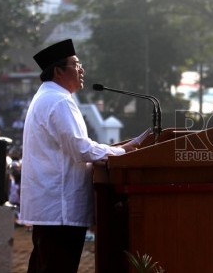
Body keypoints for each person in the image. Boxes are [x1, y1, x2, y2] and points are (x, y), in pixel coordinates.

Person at [19, 39, 139, 273]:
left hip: (51, 207)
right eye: (76, 64)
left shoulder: (46, 96)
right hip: (60, 209)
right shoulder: (59, 100)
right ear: (58, 71)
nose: (82, 69)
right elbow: (81, 149)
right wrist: (121, 152)